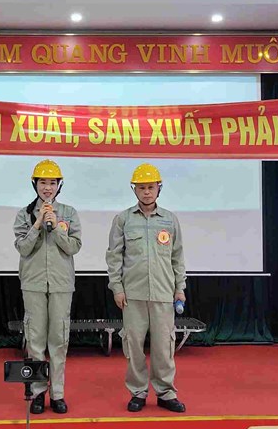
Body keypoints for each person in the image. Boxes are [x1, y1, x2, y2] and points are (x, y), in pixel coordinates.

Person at [106, 163, 186, 413]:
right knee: (134, 347)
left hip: (163, 293)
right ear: (135, 190)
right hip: (133, 295)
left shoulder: (170, 220)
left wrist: (180, 288)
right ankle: (138, 392)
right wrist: (117, 288)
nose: (147, 192)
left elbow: (177, 257)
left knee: (164, 347)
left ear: (159, 188)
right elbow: (114, 257)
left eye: (151, 187)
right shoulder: (123, 219)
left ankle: (166, 392)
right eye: (142, 188)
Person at [13, 159, 82, 414]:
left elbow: (74, 247)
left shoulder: (69, 213)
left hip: (62, 284)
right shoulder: (24, 214)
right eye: (43, 182)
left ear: (59, 186)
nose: (47, 188)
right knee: (35, 341)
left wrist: (56, 229)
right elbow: (23, 248)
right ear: (35, 184)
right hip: (33, 284)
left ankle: (58, 394)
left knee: (59, 340)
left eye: (52, 183)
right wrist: (37, 224)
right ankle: (38, 392)